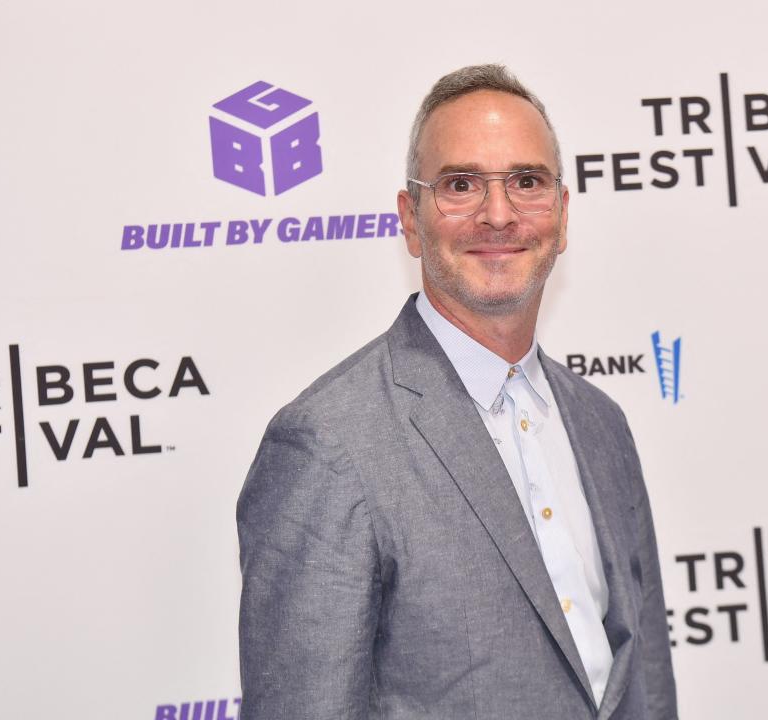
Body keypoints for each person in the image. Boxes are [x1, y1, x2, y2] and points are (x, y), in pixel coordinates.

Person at [237, 64, 677, 720]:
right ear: (411, 221)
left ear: (561, 214)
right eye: (461, 184)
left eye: (526, 182)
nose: (497, 215)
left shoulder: (602, 424)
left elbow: (644, 686)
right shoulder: (328, 446)